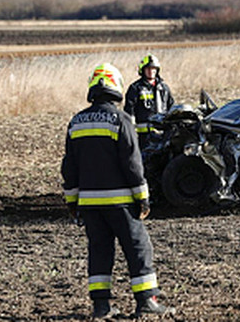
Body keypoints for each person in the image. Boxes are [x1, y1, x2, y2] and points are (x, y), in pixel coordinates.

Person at [61, 63, 174, 318]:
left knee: (99, 250)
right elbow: (133, 163)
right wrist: (143, 198)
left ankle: (101, 306)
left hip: (89, 204)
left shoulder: (76, 122)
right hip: (121, 202)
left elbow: (69, 167)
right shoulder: (121, 120)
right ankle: (147, 300)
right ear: (117, 88)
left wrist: (72, 201)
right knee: (138, 248)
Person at [124, 53, 175, 149]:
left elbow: (171, 107)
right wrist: (131, 133)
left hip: (163, 134)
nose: (151, 71)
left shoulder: (164, 88)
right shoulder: (135, 88)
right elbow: (129, 111)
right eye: (148, 69)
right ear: (143, 70)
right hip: (143, 137)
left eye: (153, 68)